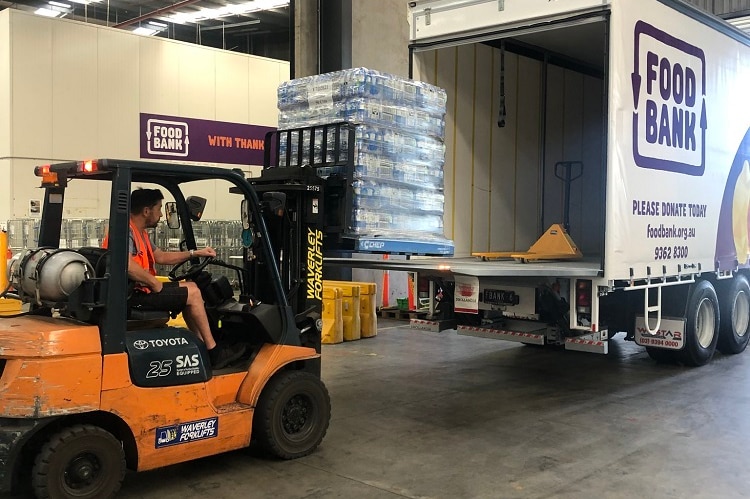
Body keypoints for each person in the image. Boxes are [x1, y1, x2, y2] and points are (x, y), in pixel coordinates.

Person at [105, 188, 245, 369]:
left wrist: (195, 253)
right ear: (147, 211)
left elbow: (161, 257)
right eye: (159, 208)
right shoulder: (126, 233)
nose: (161, 214)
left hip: (140, 290)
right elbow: (125, 263)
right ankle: (214, 352)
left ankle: (202, 347)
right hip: (133, 296)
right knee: (193, 293)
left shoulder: (139, 232)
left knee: (190, 287)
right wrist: (153, 282)